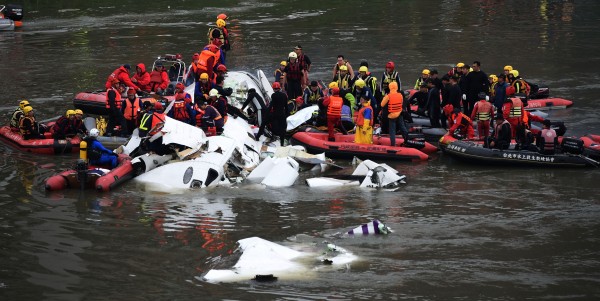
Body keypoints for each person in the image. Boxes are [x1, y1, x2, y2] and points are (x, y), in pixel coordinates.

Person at [381, 82, 409, 146]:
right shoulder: (400, 95)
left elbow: (382, 104)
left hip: (392, 115)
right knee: (403, 127)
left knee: (392, 130)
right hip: (399, 113)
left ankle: (393, 144)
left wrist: (384, 97)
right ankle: (407, 140)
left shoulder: (388, 96)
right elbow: (401, 103)